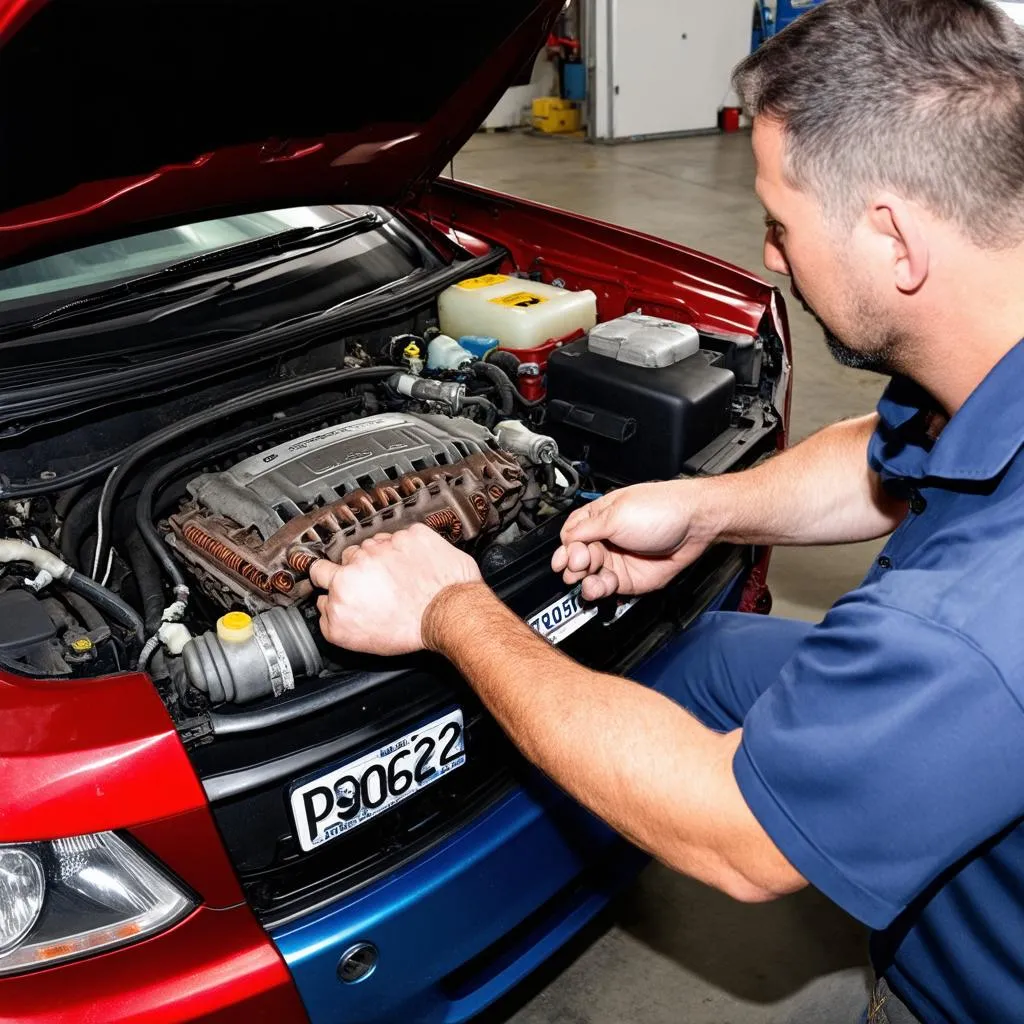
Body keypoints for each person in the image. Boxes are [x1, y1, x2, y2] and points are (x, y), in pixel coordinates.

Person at [311, 2, 1024, 1020]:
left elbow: (732, 840)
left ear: (891, 238)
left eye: (779, 221)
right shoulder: (992, 352)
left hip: (976, 988)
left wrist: (451, 612)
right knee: (708, 656)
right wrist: (702, 510)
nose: (771, 255)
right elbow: (884, 448)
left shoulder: (972, 613)